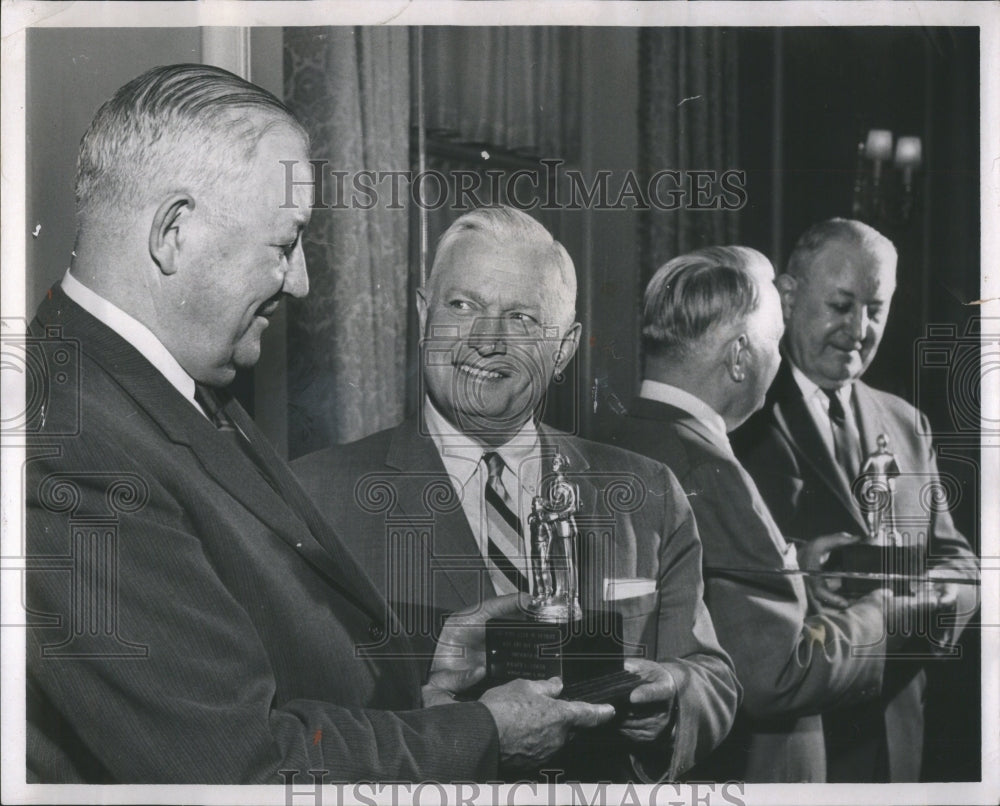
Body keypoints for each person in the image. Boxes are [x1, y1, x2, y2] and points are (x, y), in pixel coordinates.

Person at [24, 64, 616, 784]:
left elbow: (254, 661)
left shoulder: (163, 392)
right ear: (173, 232)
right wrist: (483, 732)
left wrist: (420, 685)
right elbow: (244, 770)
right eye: (285, 243)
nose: (300, 280)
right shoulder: (70, 445)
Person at [293, 206, 740, 782]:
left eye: (523, 318)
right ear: (424, 316)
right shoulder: (316, 499)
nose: (487, 339)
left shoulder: (647, 493)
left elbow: (711, 674)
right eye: (462, 306)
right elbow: (299, 727)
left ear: (564, 349)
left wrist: (668, 701)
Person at [593, 245, 919, 782]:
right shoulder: (710, 473)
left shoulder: (608, 440)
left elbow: (697, 602)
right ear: (740, 356)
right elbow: (778, 674)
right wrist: (889, 613)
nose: (780, 359)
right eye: (774, 342)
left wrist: (798, 570)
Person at [731, 219, 979, 782]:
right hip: (793, 747)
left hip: (897, 742)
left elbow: (959, 561)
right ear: (788, 298)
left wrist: (938, 602)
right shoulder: (739, 418)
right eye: (841, 305)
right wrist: (807, 565)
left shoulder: (907, 422)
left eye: (876, 308)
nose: (859, 329)